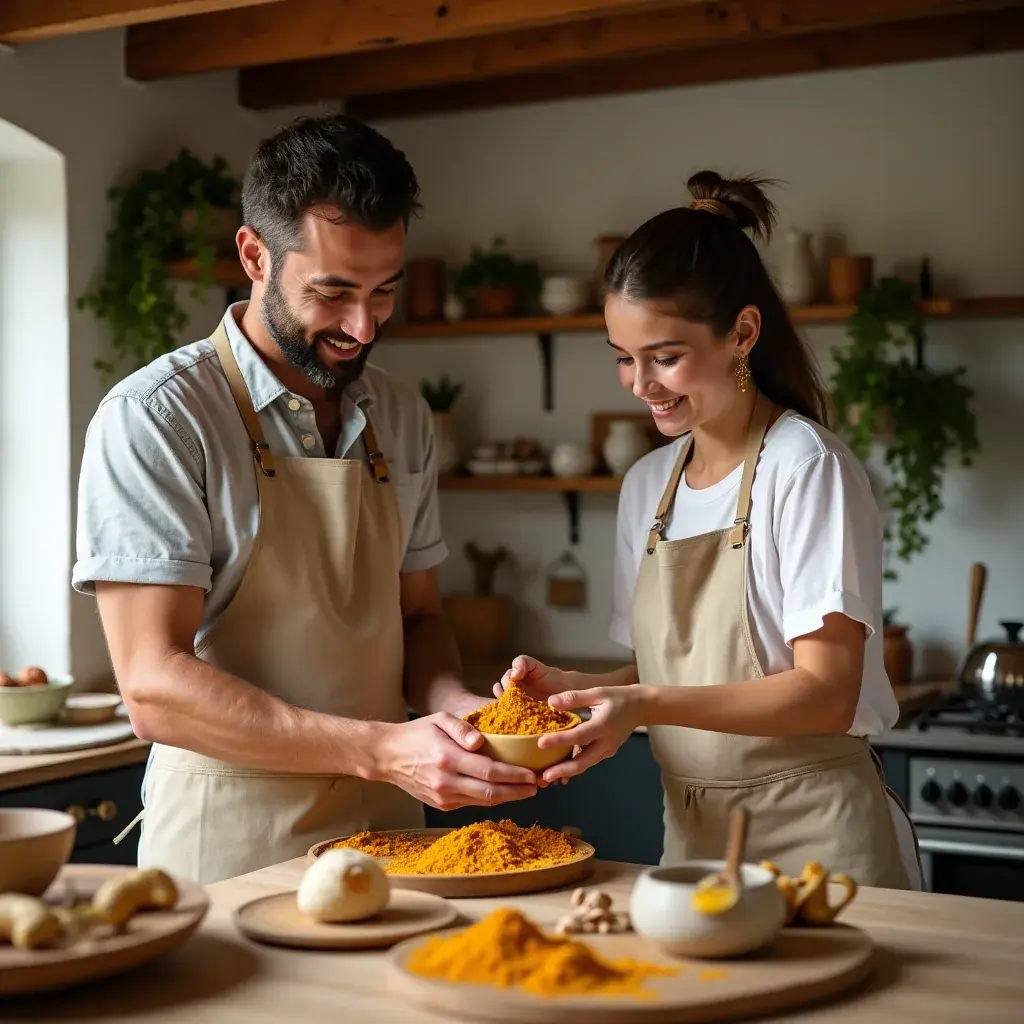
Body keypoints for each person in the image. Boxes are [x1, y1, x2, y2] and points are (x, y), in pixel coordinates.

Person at [73, 114, 537, 885]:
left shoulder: (401, 414)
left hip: (395, 840)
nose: (363, 326)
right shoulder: (158, 416)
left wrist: (455, 707)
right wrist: (386, 748)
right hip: (230, 849)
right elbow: (153, 686)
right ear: (254, 256)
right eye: (333, 292)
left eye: (384, 291)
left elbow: (418, 616)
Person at [497, 171, 920, 889]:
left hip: (821, 843)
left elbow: (826, 691)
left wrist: (642, 704)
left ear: (743, 334)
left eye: (664, 356)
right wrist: (581, 691)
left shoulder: (806, 466)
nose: (640, 383)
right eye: (624, 358)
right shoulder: (646, 487)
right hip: (693, 844)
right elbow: (670, 673)